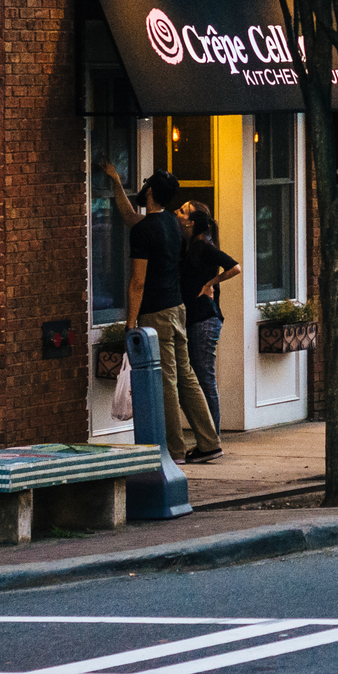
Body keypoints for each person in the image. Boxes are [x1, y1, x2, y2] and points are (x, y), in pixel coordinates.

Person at [112, 167, 222, 464]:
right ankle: (210, 441)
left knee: (167, 383)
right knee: (186, 377)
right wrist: (114, 180)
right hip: (177, 309)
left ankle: (173, 450)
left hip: (155, 313)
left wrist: (131, 322)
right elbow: (132, 217)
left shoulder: (145, 231)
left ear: (149, 191)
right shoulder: (172, 224)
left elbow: (138, 282)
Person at [176, 200, 239, 441]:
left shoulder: (205, 246)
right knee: (197, 377)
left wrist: (210, 284)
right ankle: (207, 434)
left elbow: (235, 267)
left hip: (205, 319)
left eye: (182, 211)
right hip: (193, 317)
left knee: (204, 377)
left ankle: (213, 436)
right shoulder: (189, 245)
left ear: (191, 222)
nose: (177, 212)